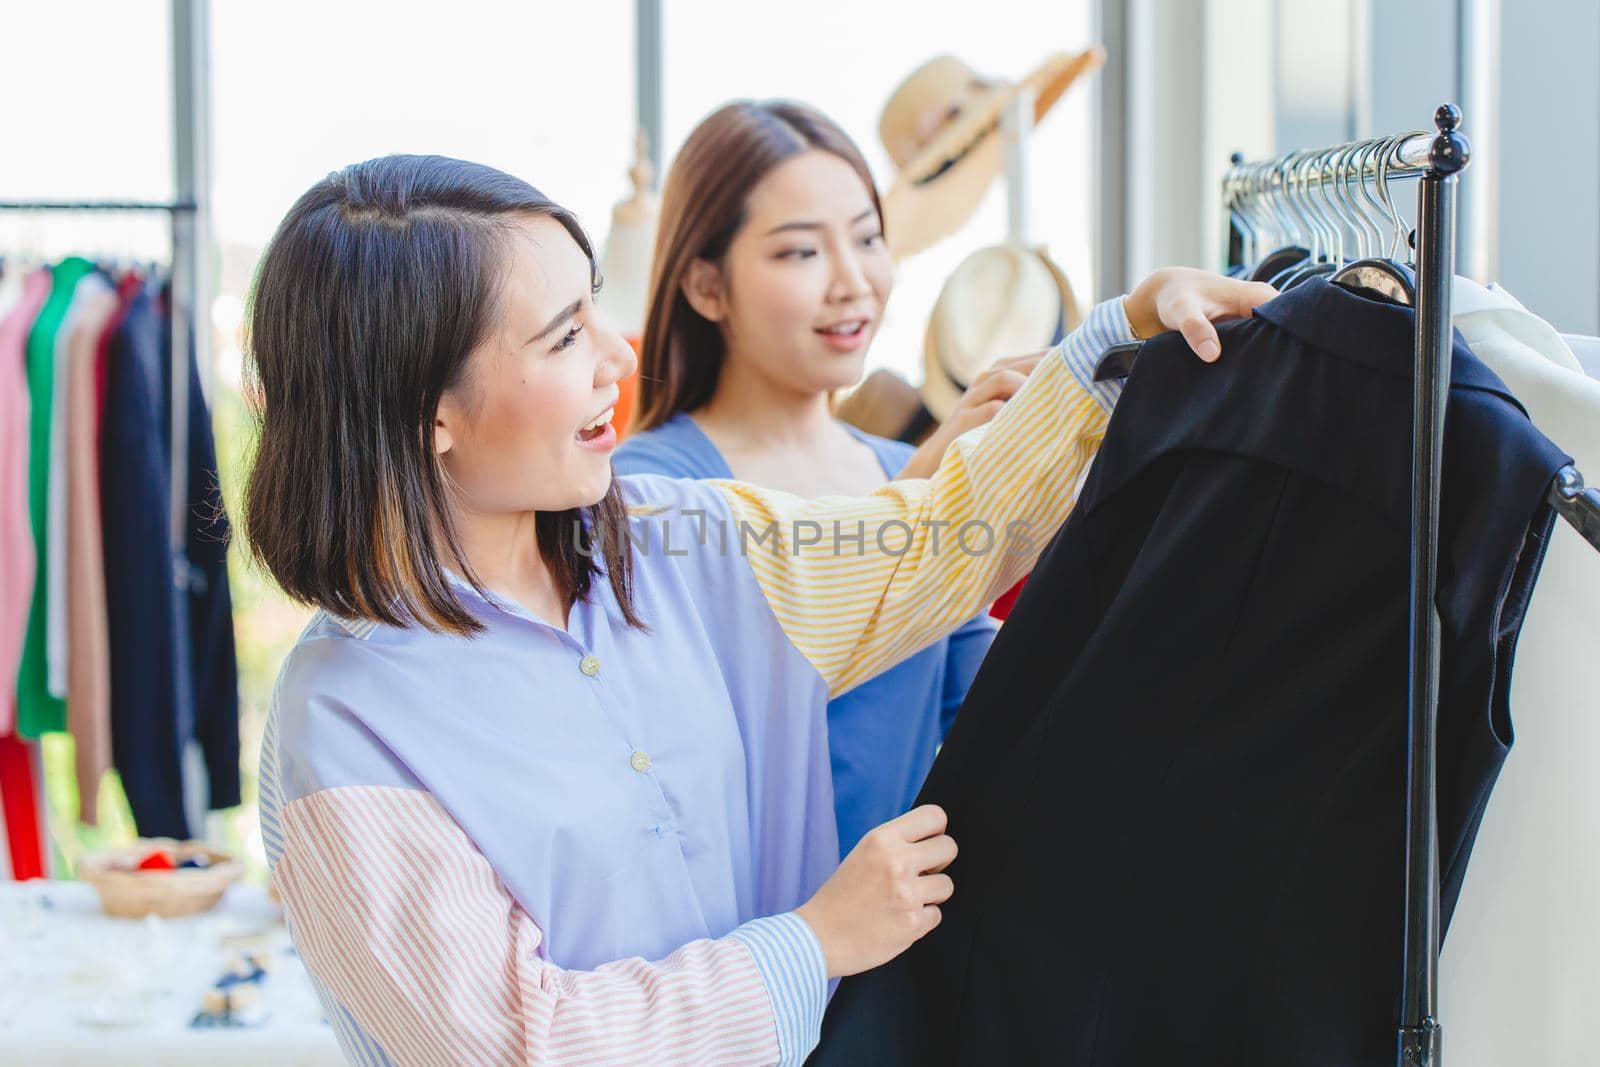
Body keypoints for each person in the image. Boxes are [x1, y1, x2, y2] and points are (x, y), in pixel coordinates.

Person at [244, 153, 1275, 1066]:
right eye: (563, 338)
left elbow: (927, 545)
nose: (617, 355)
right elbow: (525, 1044)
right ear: (428, 411)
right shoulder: (344, 724)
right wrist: (814, 940)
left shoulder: (674, 538)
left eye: (597, 307)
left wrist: (1119, 336)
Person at [616, 101, 1028, 854]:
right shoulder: (647, 488)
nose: (853, 282)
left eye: (868, 239)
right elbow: (761, 685)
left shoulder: (910, 470)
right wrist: (934, 481)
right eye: (801, 253)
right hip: (742, 957)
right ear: (707, 287)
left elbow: (998, 710)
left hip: (898, 947)